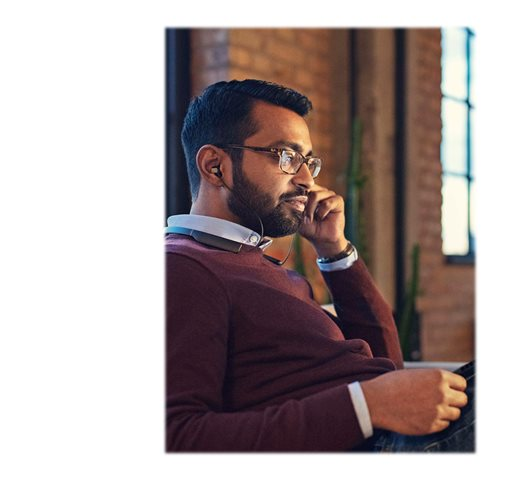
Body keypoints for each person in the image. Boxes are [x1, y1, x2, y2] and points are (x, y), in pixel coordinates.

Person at [166, 79, 475, 452]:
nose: (307, 180)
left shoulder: (256, 264)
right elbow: (176, 439)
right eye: (286, 156)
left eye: (307, 161)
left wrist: (335, 252)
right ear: (215, 167)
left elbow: (386, 367)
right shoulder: (182, 268)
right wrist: (367, 406)